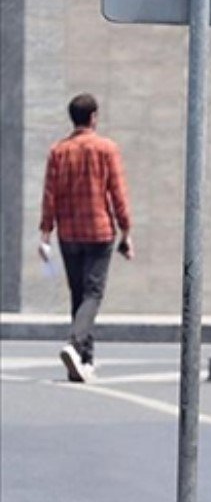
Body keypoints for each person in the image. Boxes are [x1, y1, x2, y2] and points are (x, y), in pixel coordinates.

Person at [38, 93, 133, 383]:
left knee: (79, 296)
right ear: (93, 117)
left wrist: (45, 233)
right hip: (99, 231)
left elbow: (49, 195)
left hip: (69, 233)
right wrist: (127, 230)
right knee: (93, 294)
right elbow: (118, 192)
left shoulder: (58, 151)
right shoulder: (106, 149)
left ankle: (83, 361)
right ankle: (75, 344)